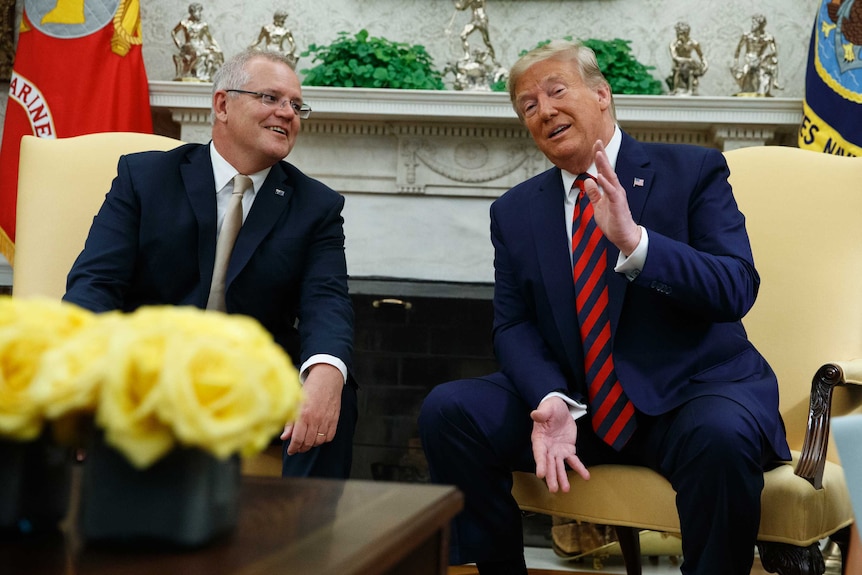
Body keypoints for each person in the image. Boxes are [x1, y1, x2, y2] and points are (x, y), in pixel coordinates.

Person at [419, 40, 790, 575]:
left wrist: (637, 244)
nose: (543, 110)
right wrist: (551, 397)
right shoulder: (515, 211)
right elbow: (514, 323)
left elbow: (735, 286)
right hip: (580, 406)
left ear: (601, 94)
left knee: (722, 438)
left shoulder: (693, 171)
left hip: (688, 396)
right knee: (449, 411)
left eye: (555, 91)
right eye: (527, 105)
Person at [64, 48, 357, 480]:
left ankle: (304, 539)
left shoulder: (316, 206)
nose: (288, 113)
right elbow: (95, 283)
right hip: (150, 370)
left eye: (296, 105)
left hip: (250, 381)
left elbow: (326, 301)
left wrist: (327, 369)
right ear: (222, 104)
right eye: (271, 98)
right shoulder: (144, 179)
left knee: (336, 387)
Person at [171, 2, 224, 81]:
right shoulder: (184, 23)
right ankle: (188, 72)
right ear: (192, 12)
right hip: (189, 46)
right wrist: (178, 43)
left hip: (200, 46)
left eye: (200, 12)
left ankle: (208, 76)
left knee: (215, 54)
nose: (200, 14)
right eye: (198, 12)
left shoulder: (203, 25)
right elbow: (173, 32)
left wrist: (217, 48)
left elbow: (210, 39)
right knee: (197, 53)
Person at [731, 13, 780, 96]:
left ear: (761, 25)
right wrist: (736, 63)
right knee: (745, 70)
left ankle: (775, 82)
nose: (752, 25)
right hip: (749, 59)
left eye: (755, 23)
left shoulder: (768, 37)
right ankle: (746, 83)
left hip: (760, 59)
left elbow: (774, 52)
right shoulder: (747, 36)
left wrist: (765, 56)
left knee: (773, 61)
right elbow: (738, 50)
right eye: (752, 23)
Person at [668, 21, 708, 95]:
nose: (680, 36)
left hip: (690, 66)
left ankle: (690, 91)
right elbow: (675, 57)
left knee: (691, 71)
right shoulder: (673, 44)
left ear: (687, 33)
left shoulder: (693, 43)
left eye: (682, 34)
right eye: (678, 33)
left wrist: (705, 64)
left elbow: (701, 56)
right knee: (677, 71)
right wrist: (688, 60)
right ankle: (675, 90)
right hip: (678, 65)